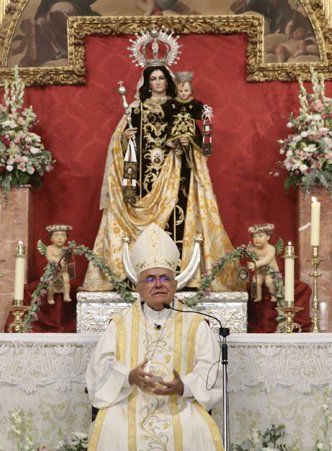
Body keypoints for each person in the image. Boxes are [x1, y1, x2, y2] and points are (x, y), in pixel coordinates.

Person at [85, 224, 225, 451]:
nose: (158, 284)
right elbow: (100, 368)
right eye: (150, 278)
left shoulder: (196, 323)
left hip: (179, 403)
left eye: (165, 277)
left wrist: (184, 386)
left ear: (176, 283)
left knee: (189, 428)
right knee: (116, 428)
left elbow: (211, 370)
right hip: (128, 401)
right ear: (138, 286)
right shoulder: (119, 323)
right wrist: (128, 376)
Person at [83, 58, 238, 292]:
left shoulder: (180, 105)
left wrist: (188, 143)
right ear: (147, 82)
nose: (158, 82)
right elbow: (119, 143)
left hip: (176, 174)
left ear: (169, 81)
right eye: (153, 78)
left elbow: (197, 138)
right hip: (143, 179)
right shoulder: (136, 108)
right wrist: (125, 139)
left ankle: (178, 274)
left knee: (177, 219)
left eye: (161, 78)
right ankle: (138, 275)